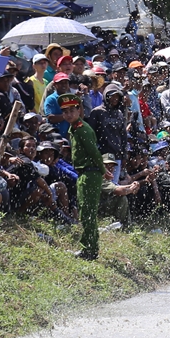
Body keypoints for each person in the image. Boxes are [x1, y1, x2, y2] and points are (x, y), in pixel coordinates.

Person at [62, 92, 102, 260]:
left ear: (79, 111)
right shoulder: (74, 129)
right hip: (84, 173)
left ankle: (90, 250)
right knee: (85, 211)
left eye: (72, 110)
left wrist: (103, 170)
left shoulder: (82, 129)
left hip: (90, 173)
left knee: (88, 213)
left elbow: (94, 152)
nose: (69, 114)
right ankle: (89, 248)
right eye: (65, 111)